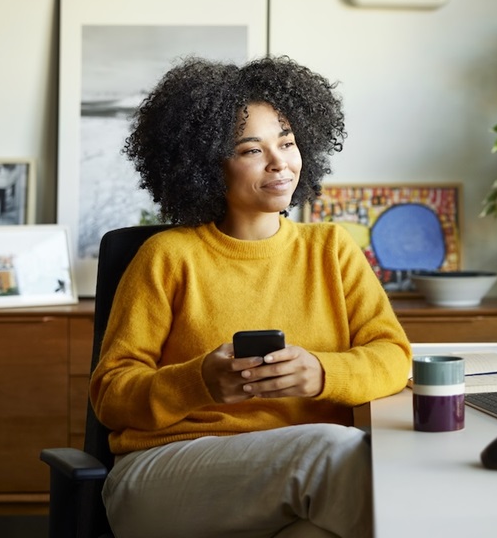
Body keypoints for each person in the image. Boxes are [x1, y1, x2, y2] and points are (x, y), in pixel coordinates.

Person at [91, 55, 413, 538]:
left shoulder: (331, 249)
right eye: (251, 150)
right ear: (204, 163)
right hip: (167, 472)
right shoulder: (167, 256)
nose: (280, 162)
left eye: (286, 142)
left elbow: (394, 357)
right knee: (343, 456)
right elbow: (111, 396)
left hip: (302, 480)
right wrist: (200, 381)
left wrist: (323, 373)